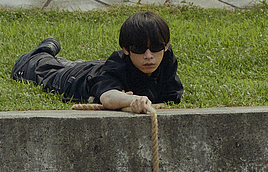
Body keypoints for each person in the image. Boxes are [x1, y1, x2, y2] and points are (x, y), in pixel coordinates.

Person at [10, 11, 183, 113]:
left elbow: (170, 98)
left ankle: (60, 58)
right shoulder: (118, 65)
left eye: (156, 47)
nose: (148, 55)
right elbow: (107, 97)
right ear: (125, 49)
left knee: (74, 64)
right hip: (74, 80)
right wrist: (134, 101)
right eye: (139, 49)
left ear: (165, 46)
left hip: (96, 69)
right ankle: (44, 50)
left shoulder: (166, 59)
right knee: (32, 68)